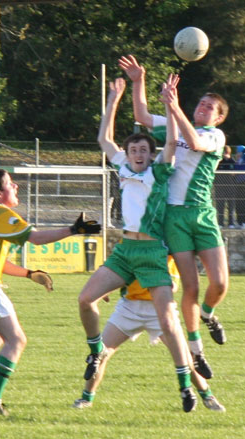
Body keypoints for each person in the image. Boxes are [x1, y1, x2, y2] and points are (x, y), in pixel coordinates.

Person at [78, 76, 197, 412]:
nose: (139, 153)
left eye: (144, 149)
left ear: (150, 154)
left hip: (151, 252)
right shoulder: (121, 166)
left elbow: (172, 144)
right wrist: (113, 98)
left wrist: (169, 105)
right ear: (128, 154)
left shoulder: (158, 171)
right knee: (86, 299)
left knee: (169, 321)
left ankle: (185, 386)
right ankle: (93, 350)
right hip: (125, 250)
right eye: (134, 149)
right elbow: (104, 138)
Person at [0, 168, 100, 416]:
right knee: (17, 340)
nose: (16, 187)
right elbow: (34, 238)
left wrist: (28, 273)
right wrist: (73, 230)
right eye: (11, 184)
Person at [119, 55, 229, 380]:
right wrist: (139, 80)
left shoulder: (213, 136)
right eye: (202, 103)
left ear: (218, 118)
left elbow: (193, 142)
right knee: (190, 288)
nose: (203, 107)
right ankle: (196, 351)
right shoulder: (176, 123)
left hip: (202, 215)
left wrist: (173, 106)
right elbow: (140, 115)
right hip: (174, 218)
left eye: (210, 107)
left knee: (220, 283)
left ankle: (208, 315)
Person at [73, 256, 225, 412]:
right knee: (101, 354)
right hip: (129, 308)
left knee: (186, 360)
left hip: (161, 310)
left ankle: (207, 396)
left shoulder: (166, 244)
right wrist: (105, 288)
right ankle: (86, 398)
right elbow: (121, 270)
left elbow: (181, 274)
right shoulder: (134, 243)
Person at [214, 145, 236, 228]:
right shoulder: (219, 161)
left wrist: (228, 159)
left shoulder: (232, 161)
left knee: (231, 205)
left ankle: (231, 223)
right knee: (220, 205)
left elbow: (234, 172)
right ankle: (220, 223)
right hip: (220, 186)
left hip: (230, 186)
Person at [234, 145, 245, 228]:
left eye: (238, 152)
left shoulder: (242, 160)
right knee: (238, 203)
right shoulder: (238, 161)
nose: (237, 153)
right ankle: (239, 222)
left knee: (242, 203)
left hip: (243, 183)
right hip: (238, 183)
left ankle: (243, 222)